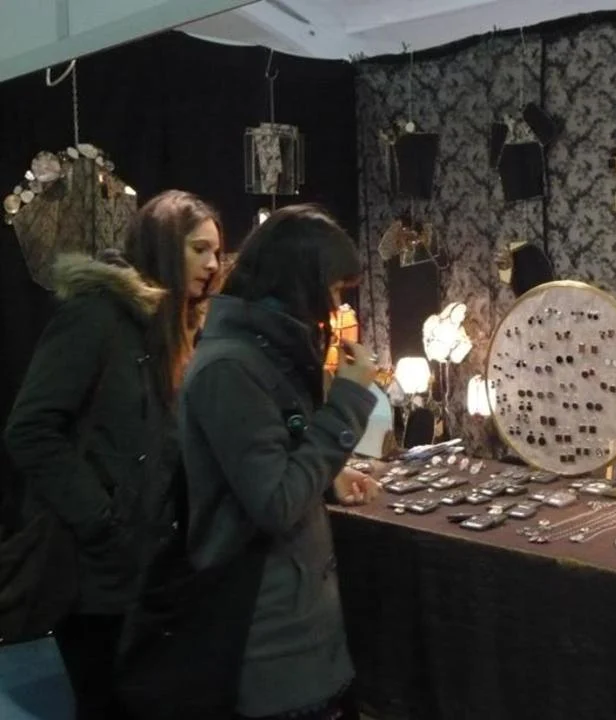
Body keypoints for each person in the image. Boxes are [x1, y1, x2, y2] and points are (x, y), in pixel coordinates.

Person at [4, 189, 222, 719]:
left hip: (149, 565)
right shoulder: (96, 316)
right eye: (199, 249)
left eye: (217, 251)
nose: (214, 264)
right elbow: (30, 429)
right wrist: (101, 518)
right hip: (93, 570)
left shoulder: (177, 327)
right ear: (164, 247)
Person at [178, 204, 380, 719]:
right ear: (301, 282)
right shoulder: (231, 367)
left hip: (298, 628)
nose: (336, 305)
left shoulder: (266, 353)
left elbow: (272, 460)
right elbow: (274, 502)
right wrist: (348, 402)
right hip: (270, 644)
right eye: (333, 289)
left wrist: (328, 476)